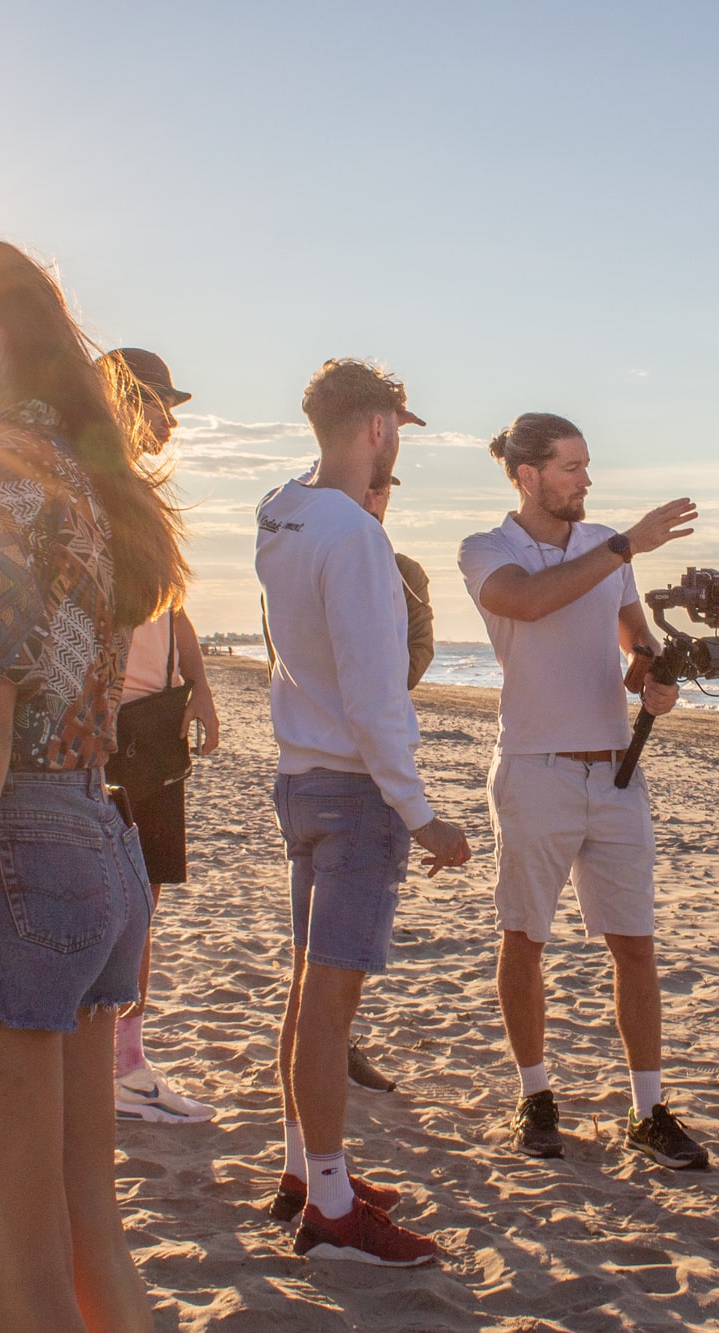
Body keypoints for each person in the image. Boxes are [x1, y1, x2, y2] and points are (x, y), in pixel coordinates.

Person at [0, 238, 187, 1328]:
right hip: (93, 839)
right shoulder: (81, 468)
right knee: (87, 1248)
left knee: (24, 1286)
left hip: (20, 838)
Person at [254, 358, 471, 1266]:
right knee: (330, 1006)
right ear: (377, 427)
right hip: (351, 793)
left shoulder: (278, 510)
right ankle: (331, 1211)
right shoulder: (354, 536)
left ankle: (309, 1174)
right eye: (396, 431)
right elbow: (378, 695)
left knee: (310, 991)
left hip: (301, 778)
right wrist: (423, 814)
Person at [456, 413, 709, 1169]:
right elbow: (530, 601)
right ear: (527, 476)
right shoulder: (485, 549)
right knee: (525, 937)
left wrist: (658, 678)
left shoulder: (607, 548)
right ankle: (535, 1095)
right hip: (536, 767)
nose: (587, 481)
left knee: (635, 944)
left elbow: (635, 646)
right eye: (571, 467)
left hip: (617, 772)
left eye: (588, 466)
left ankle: (648, 1108)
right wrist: (624, 544)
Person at [94, 348, 222, 1126]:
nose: (169, 421)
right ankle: (115, 1064)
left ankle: (127, 1058)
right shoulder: (93, 490)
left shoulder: (139, 497)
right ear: (120, 399)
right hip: (114, 727)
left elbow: (171, 607)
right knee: (121, 900)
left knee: (145, 897)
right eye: (157, 403)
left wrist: (199, 684)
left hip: (155, 721)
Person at [345, 472, 434, 1094]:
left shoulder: (403, 568)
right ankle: (331, 1045)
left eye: (385, 490)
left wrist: (375, 675)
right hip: (324, 754)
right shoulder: (312, 545)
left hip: (377, 737)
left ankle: (340, 1040)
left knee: (360, 927)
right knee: (330, 928)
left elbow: (414, 656)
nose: (375, 499)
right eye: (368, 488)